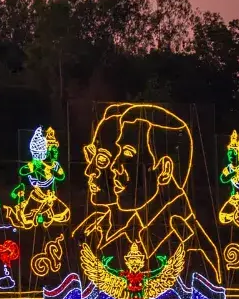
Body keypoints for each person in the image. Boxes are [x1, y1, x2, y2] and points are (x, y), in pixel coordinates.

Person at [73, 103, 222, 281]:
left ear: (164, 170)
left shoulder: (189, 244)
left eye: (127, 155)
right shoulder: (110, 227)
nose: (115, 167)